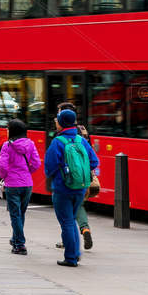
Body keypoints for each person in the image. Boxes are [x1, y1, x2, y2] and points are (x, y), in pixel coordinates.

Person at [44, 106, 98, 267]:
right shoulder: (81, 140)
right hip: (81, 188)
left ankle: (71, 257)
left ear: (61, 123)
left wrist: (58, 175)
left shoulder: (57, 142)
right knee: (71, 220)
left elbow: (49, 167)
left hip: (63, 188)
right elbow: (94, 161)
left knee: (66, 222)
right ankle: (75, 252)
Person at [56, 98, 100, 251]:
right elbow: (93, 157)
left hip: (69, 177)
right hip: (84, 176)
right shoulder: (82, 130)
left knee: (67, 210)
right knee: (77, 205)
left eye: (59, 113)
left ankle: (71, 238)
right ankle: (83, 229)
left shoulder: (63, 134)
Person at [0, 118, 41, 255]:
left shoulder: (7, 146)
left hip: (13, 184)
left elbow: (2, 166)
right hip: (27, 184)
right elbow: (36, 163)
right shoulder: (31, 144)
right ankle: (15, 238)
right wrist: (27, 172)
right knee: (20, 213)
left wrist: (4, 176)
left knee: (15, 214)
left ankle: (20, 244)